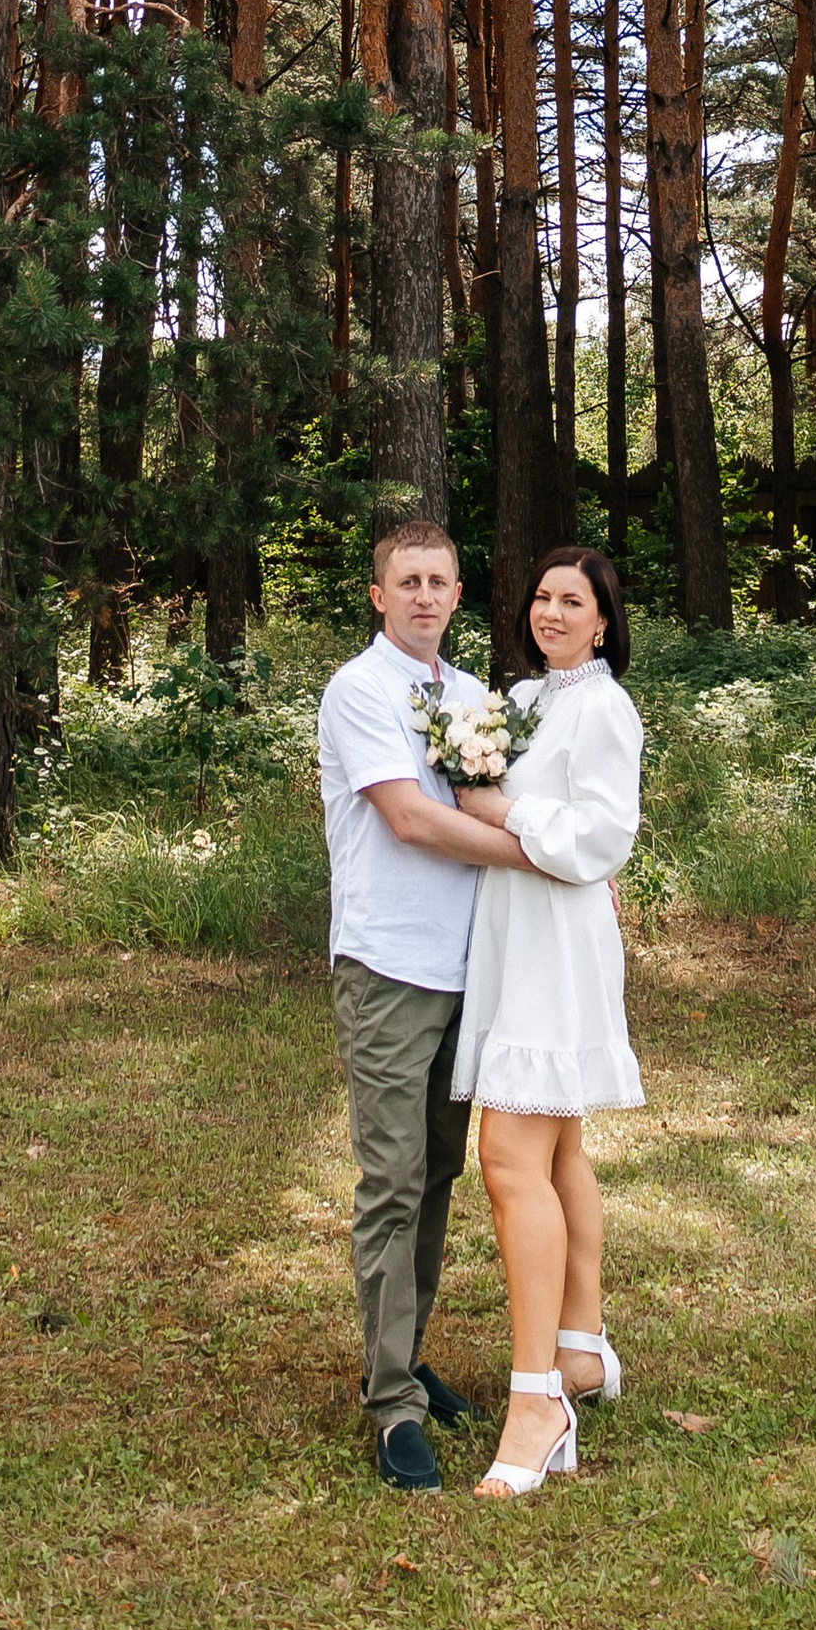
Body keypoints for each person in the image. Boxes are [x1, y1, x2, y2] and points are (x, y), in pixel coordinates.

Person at [315, 519, 535, 1494]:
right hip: (389, 966)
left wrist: (561, 852)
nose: (423, 597)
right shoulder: (357, 691)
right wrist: (535, 854)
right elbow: (409, 820)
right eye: (405, 581)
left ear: (455, 592)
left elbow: (493, 806)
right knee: (392, 1179)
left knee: (441, 1170)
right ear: (378, 595)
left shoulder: (472, 696)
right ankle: (392, 1404)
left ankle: (405, 1355)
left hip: (466, 968)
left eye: (438, 582)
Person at [450, 546, 644, 1499]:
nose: (552, 612)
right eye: (541, 597)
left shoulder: (604, 708)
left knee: (508, 1160)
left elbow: (607, 836)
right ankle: (580, 1348)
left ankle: (538, 1402)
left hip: (557, 939)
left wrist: (506, 809)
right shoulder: (528, 702)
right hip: (518, 931)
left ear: (604, 620)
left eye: (574, 601)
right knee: (559, 1152)